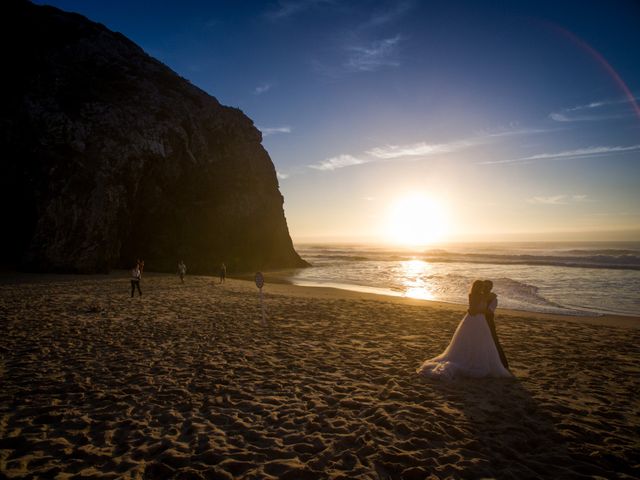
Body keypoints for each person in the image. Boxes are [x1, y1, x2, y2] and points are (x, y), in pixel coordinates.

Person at [416, 280, 511, 379]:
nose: (483, 288)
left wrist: (487, 300)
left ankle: (480, 360)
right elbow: (472, 311)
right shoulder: (474, 295)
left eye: (485, 286)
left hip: (481, 321)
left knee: (482, 342)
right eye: (482, 286)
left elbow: (487, 309)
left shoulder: (487, 296)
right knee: (469, 340)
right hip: (474, 320)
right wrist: (483, 308)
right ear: (477, 287)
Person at [483, 280, 509, 369]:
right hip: (478, 322)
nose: (485, 288)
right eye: (484, 286)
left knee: (494, 341)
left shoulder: (494, 299)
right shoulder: (479, 296)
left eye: (487, 286)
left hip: (489, 323)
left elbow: (489, 311)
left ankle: (503, 363)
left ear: (491, 288)